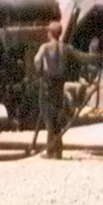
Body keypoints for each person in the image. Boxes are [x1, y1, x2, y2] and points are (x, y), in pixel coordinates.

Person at [31, 21, 94, 160]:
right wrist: (99, 57)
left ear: (49, 33)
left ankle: (50, 152)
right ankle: (58, 151)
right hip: (59, 86)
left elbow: (36, 60)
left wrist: (39, 72)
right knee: (57, 119)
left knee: (49, 120)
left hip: (47, 85)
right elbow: (82, 57)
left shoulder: (45, 47)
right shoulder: (66, 48)